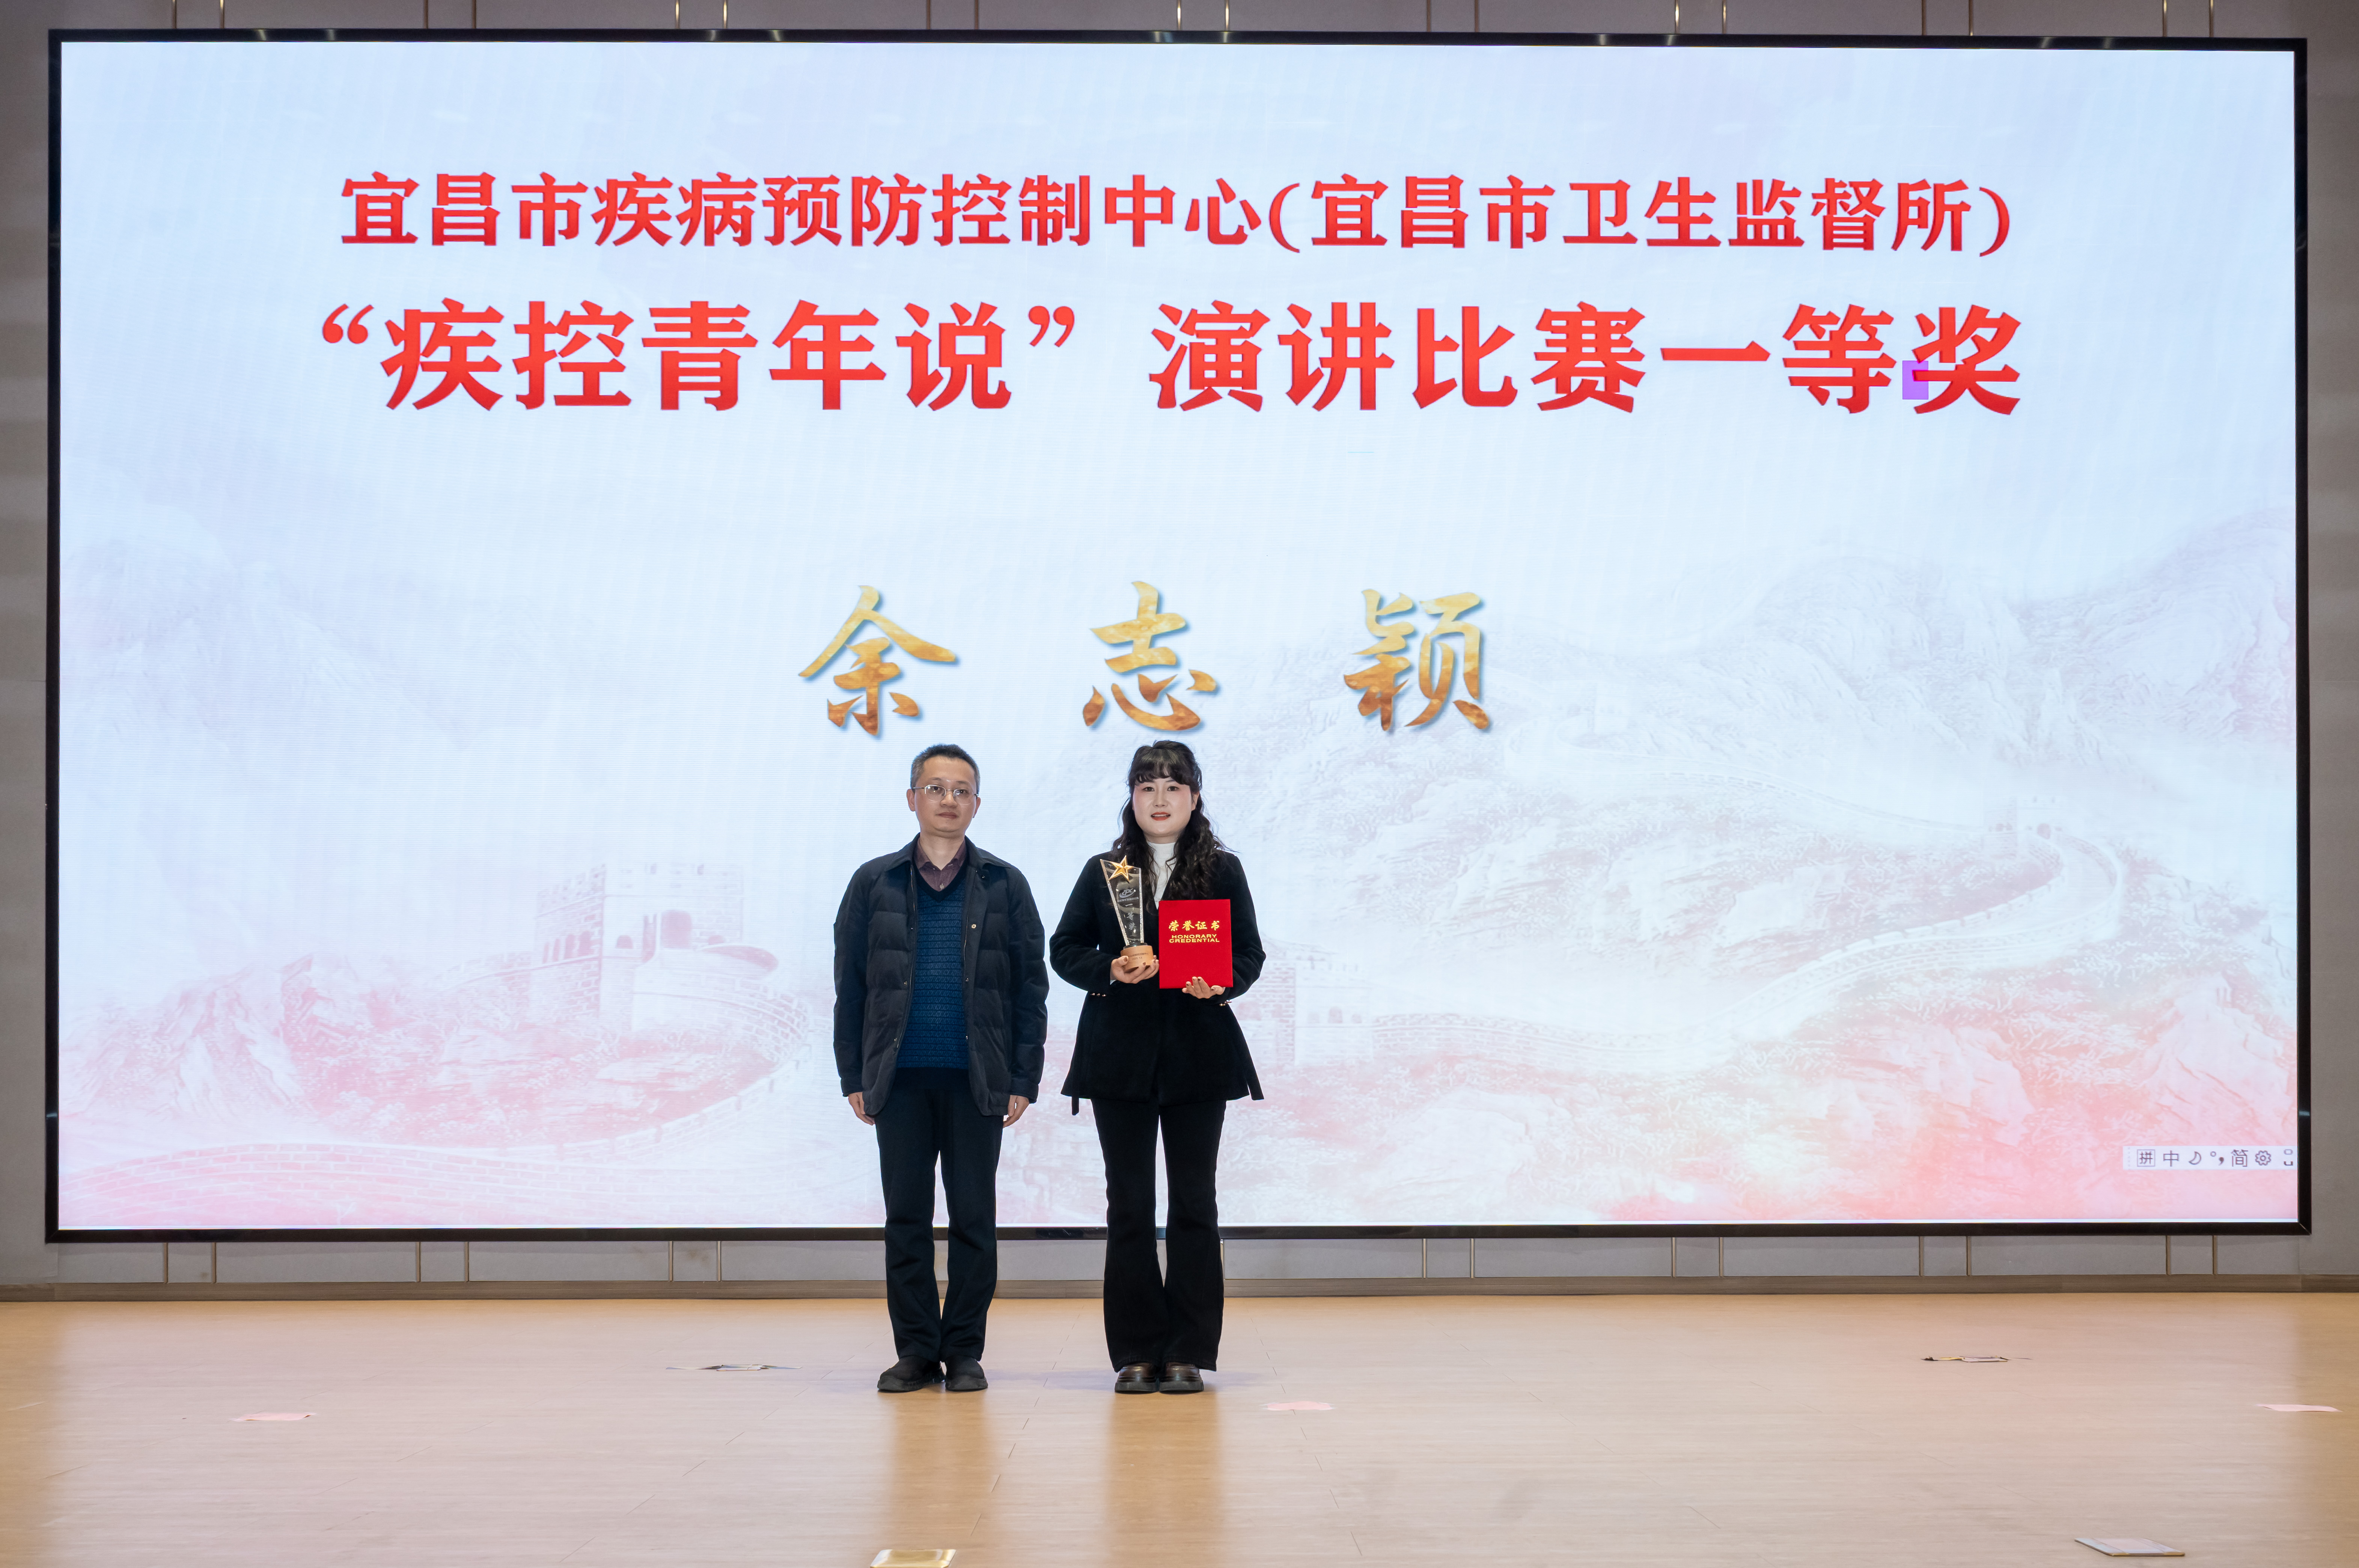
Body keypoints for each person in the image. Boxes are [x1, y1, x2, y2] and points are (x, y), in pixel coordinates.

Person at [1050, 740, 1263, 1395]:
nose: (1161, 799)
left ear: (1195, 798)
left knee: (1195, 1204)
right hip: (1120, 1060)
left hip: (1199, 1059)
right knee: (1130, 1205)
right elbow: (1064, 948)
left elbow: (1248, 956)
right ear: (1132, 798)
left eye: (1174, 787)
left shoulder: (1221, 869)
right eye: (1147, 786)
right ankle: (1138, 1351)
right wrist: (1110, 969)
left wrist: (1219, 982)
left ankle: (1188, 1351)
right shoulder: (1106, 870)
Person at [833, 743, 1048, 1395]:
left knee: (974, 1222)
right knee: (906, 1220)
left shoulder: (1005, 884)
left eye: (961, 790)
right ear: (912, 799)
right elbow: (851, 985)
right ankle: (917, 1351)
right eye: (935, 788)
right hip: (898, 1079)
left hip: (976, 1078)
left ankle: (964, 1350)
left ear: (977, 804)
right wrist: (853, 1074)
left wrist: (1023, 1077)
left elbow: (1029, 988)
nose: (948, 799)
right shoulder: (874, 882)